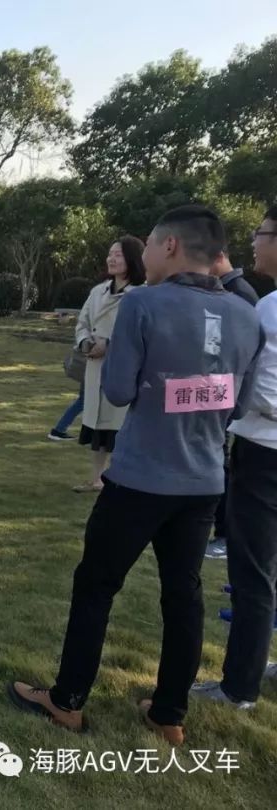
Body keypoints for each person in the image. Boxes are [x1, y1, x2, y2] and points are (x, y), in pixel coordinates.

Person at [7, 205, 264, 746]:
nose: (142, 253)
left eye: (147, 243)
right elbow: (237, 406)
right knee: (183, 594)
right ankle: (169, 712)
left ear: (170, 245)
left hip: (141, 477)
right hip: (204, 481)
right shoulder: (247, 313)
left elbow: (119, 389)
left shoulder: (143, 302)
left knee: (96, 586)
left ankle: (67, 700)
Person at [193, 205, 277, 709]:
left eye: (261, 233)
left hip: (264, 454)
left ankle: (239, 687)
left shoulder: (267, 309)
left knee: (253, 573)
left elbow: (253, 388)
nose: (253, 242)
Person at [71, 237, 146, 493]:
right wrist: (85, 343)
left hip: (124, 369)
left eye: (118, 255)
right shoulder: (98, 291)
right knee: (99, 427)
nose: (111, 259)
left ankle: (123, 479)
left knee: (120, 426)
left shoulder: (142, 293)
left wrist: (110, 345)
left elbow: (143, 332)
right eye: (110, 254)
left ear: (133, 259)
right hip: (96, 366)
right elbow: (82, 323)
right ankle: (96, 478)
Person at [205, 250, 260, 560]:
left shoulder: (241, 295)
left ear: (217, 256)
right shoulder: (228, 290)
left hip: (227, 396)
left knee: (221, 465)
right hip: (215, 391)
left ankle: (225, 534)